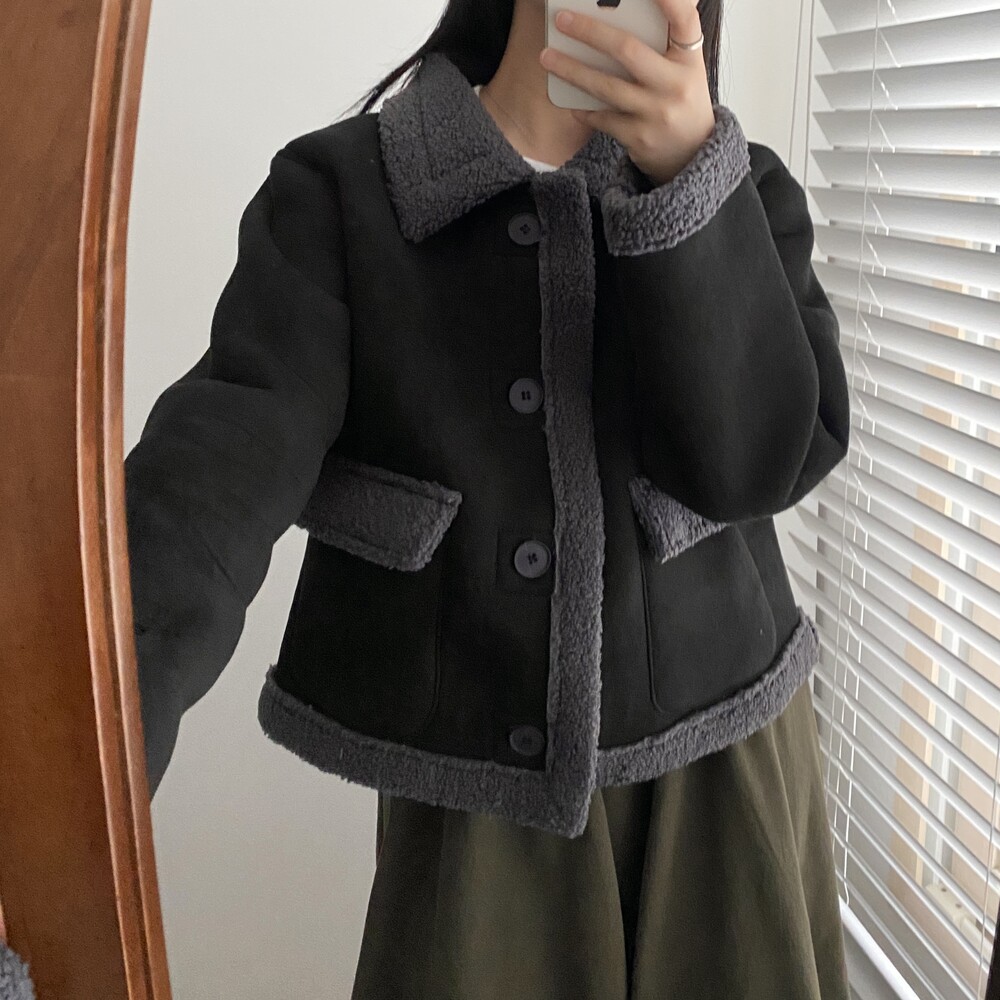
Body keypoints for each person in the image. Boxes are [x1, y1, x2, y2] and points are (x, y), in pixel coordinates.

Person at [125, 0, 854, 996]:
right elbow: (215, 470)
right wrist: (77, 744)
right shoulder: (340, 193)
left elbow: (765, 463)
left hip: (729, 766)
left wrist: (688, 182)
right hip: (475, 811)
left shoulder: (742, 191)